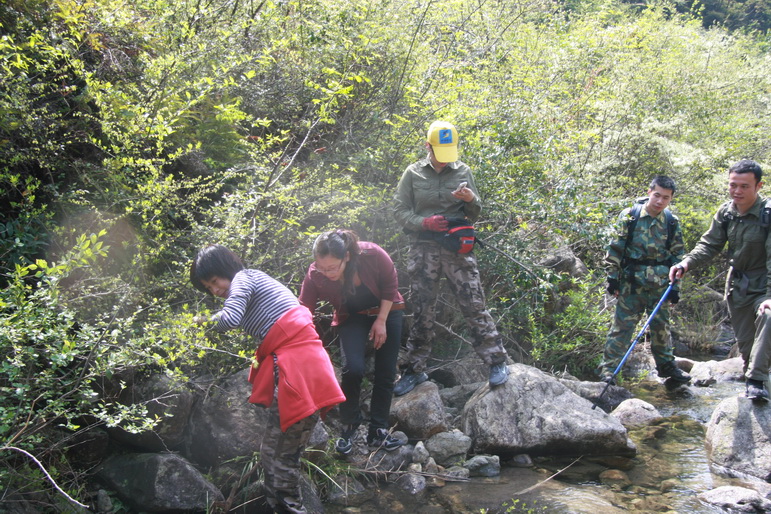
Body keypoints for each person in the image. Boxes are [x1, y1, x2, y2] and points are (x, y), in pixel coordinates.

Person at [190, 245, 345, 513]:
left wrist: (199, 322)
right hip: (302, 365)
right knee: (273, 451)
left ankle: (291, 508)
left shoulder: (243, 277)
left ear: (226, 269)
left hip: (299, 368)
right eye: (208, 287)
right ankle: (280, 507)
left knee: (282, 454)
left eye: (214, 281)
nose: (214, 290)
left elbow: (231, 318)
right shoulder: (251, 280)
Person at [392, 119, 509, 395]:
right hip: (423, 247)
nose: (445, 159)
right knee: (422, 309)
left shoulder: (463, 170)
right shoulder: (413, 173)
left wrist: (470, 200)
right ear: (428, 147)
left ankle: (496, 362)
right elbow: (399, 210)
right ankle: (414, 370)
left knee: (473, 303)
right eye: (439, 152)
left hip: (457, 247)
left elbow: (475, 213)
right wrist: (424, 222)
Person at [670, 159, 771, 401]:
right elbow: (710, 244)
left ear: (759, 186)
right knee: (747, 347)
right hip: (738, 286)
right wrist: (686, 263)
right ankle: (757, 388)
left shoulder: (767, 215)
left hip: (764, 284)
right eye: (733, 185)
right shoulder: (726, 213)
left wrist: (769, 295)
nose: (737, 191)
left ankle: (756, 382)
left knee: (768, 317)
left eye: (744, 186)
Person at [299, 229, 405, 455]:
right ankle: (348, 426)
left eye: (332, 267)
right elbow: (304, 308)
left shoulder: (372, 255)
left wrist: (381, 321)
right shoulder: (316, 274)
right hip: (352, 317)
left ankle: (378, 430)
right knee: (352, 369)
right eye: (322, 267)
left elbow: (390, 284)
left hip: (387, 311)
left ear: (346, 256)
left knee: (385, 372)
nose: (326, 273)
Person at [601, 175, 691, 385]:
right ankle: (608, 370)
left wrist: (675, 288)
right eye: (657, 195)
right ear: (649, 192)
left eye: (666, 197)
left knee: (661, 328)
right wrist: (612, 279)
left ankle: (667, 368)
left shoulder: (671, 222)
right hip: (632, 283)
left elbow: (678, 257)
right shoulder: (630, 216)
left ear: (671, 198)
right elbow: (615, 248)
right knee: (622, 328)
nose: (660, 201)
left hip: (660, 284)